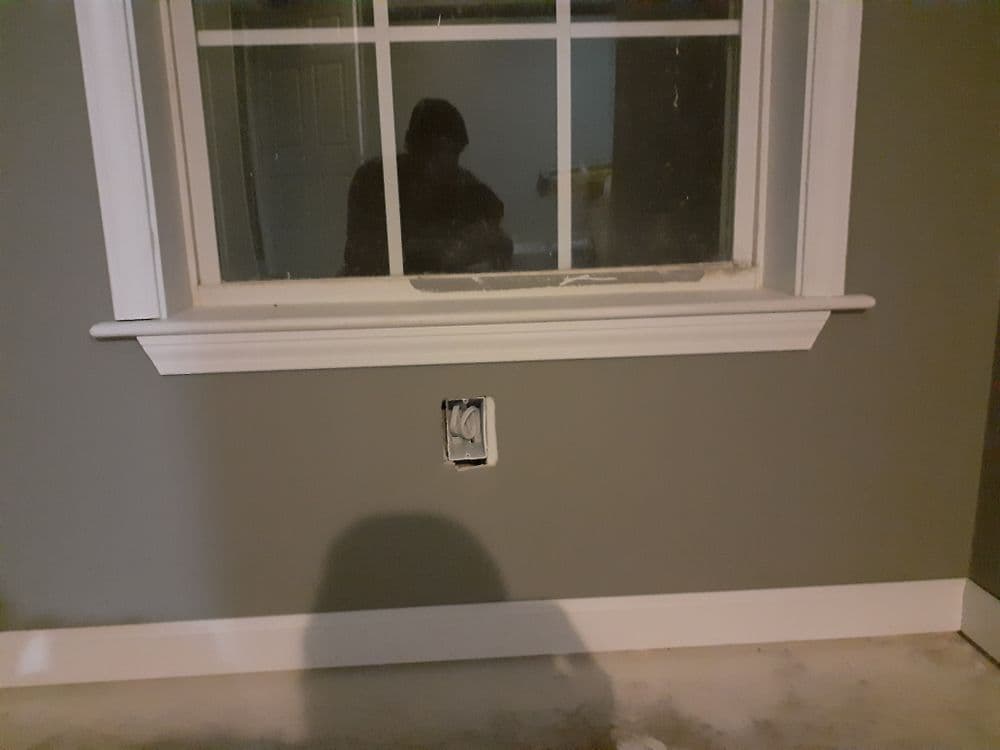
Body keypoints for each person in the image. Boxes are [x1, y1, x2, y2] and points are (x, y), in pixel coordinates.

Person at [343, 98, 514, 276]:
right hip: (380, 289)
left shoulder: (467, 187)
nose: (444, 161)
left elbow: (501, 241)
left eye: (453, 152)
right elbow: (358, 253)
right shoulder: (375, 179)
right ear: (412, 145)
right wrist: (437, 247)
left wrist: (489, 243)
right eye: (436, 150)